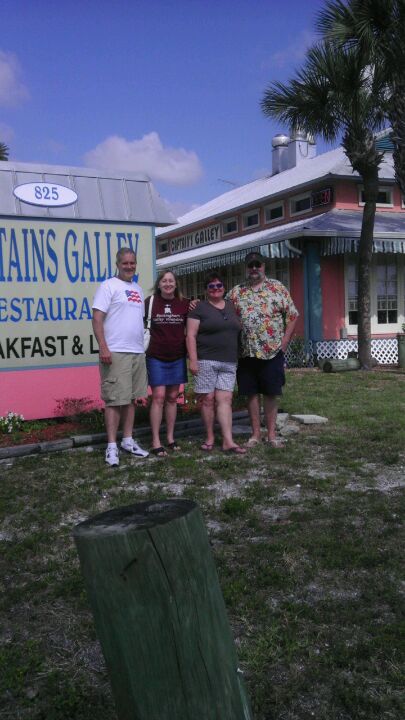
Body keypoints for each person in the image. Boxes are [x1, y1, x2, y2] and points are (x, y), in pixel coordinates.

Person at [227, 251, 298, 448]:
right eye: (251, 265)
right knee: (250, 393)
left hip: (272, 352)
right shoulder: (236, 292)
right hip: (246, 352)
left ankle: (272, 435)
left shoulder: (277, 288)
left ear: (264, 266)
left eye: (258, 265)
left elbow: (292, 315)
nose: (254, 268)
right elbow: (220, 310)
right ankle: (255, 434)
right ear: (246, 268)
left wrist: (284, 342)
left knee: (270, 392)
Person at [92, 247, 149, 466]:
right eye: (125, 263)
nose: (129, 266)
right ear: (117, 264)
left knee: (131, 399)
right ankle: (112, 447)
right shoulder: (108, 286)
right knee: (114, 401)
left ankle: (127, 440)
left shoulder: (137, 289)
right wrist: (103, 347)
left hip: (136, 352)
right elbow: (97, 319)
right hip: (115, 351)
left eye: (132, 263)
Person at [186, 272, 246, 454]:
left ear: (224, 288)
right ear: (206, 290)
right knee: (207, 400)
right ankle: (210, 436)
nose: (216, 289)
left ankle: (228, 440)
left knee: (225, 399)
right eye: (211, 287)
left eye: (219, 286)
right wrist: (193, 360)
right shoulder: (199, 308)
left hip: (228, 361)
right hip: (206, 360)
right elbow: (190, 335)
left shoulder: (231, 306)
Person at [145, 271, 189, 456]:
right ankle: (156, 441)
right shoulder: (149, 302)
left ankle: (170, 438)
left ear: (176, 284)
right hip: (156, 356)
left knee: (172, 398)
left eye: (171, 280)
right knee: (158, 397)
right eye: (164, 281)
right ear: (159, 284)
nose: (168, 284)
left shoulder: (185, 304)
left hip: (177, 356)